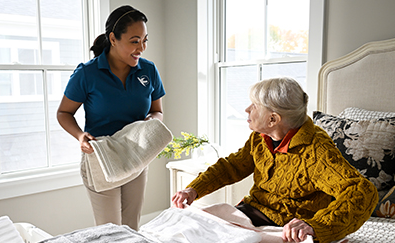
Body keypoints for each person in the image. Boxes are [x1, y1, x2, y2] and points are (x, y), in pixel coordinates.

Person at [172, 77, 378, 243]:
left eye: (254, 106)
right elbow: (232, 166)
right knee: (187, 227)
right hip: (252, 212)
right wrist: (194, 189)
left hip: (285, 227)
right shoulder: (260, 137)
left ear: (273, 119)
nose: (247, 110)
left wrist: (317, 225)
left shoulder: (316, 150)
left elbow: (362, 191)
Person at [57, 5, 165, 230]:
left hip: (136, 154)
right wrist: (80, 136)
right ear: (113, 38)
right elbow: (64, 113)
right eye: (135, 41)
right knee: (109, 231)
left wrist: (152, 122)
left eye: (145, 40)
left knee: (131, 227)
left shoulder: (149, 70)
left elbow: (157, 111)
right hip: (101, 157)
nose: (142, 48)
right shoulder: (87, 74)